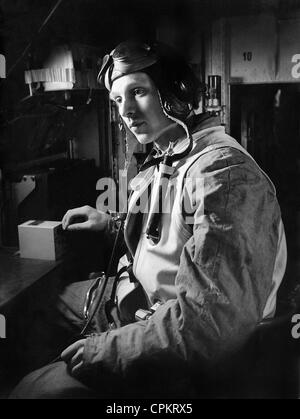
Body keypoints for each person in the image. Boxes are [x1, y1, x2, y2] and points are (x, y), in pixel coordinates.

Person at [10, 40, 287, 399]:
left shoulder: (225, 175)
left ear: (176, 93)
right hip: (135, 297)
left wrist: (103, 350)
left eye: (137, 92)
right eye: (117, 100)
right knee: (43, 307)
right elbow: (170, 230)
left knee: (30, 392)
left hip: (181, 333)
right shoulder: (174, 152)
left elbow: (210, 324)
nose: (125, 111)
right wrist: (109, 223)